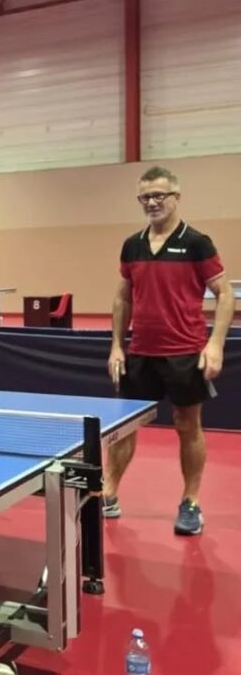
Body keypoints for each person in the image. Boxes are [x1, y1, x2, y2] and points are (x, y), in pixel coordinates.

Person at [105, 165, 234, 536]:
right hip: (140, 353)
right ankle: (108, 493)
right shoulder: (132, 245)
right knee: (125, 428)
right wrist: (117, 346)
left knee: (186, 424)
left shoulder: (196, 242)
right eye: (145, 197)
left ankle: (190, 502)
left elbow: (224, 293)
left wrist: (215, 343)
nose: (152, 203)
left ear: (176, 197)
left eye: (159, 195)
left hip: (184, 352)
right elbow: (122, 297)